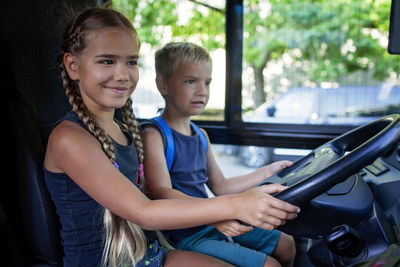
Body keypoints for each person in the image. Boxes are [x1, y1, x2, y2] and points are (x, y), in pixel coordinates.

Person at [43, 7, 300, 267]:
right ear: (73, 66)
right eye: (107, 61)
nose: (123, 74)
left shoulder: (125, 132)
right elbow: (143, 211)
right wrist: (232, 206)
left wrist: (220, 212)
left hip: (147, 252)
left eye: (131, 62)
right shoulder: (69, 138)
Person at [141, 42, 298, 267]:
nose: (202, 90)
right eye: (190, 81)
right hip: (184, 234)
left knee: (286, 243)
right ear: (163, 84)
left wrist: (267, 171)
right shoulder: (154, 134)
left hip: (212, 220)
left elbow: (221, 186)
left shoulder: (200, 135)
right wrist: (216, 215)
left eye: (207, 82)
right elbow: (162, 192)